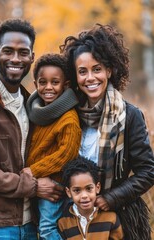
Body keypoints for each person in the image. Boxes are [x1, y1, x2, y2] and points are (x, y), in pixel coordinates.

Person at [60, 23, 154, 240]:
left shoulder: (129, 115)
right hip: (75, 219)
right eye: (82, 72)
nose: (90, 78)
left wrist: (110, 198)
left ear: (109, 71)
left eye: (97, 69)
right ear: (75, 77)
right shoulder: (69, 115)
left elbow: (148, 171)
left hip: (120, 217)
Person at [0, 18, 63, 240]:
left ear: (32, 57)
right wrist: (32, 187)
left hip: (32, 225)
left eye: (23, 52)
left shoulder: (32, 104)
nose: (15, 59)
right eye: (8, 51)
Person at [23, 53, 81, 240]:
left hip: (54, 183)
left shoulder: (68, 118)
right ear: (35, 84)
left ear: (65, 86)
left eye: (55, 82)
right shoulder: (37, 114)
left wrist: (33, 170)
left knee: (48, 229)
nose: (48, 87)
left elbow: (67, 154)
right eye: (43, 82)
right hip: (38, 182)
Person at [58, 156, 124, 239]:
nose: (84, 196)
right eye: (77, 190)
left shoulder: (111, 218)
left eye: (89, 188)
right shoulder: (63, 222)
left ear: (97, 188)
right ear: (68, 192)